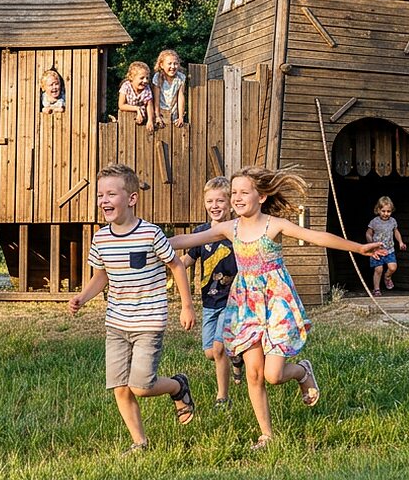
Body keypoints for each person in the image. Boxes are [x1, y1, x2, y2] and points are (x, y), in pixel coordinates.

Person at [170, 166, 387, 450]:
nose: (236, 197)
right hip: (245, 305)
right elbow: (185, 240)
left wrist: (358, 248)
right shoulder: (229, 228)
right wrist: (145, 240)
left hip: (275, 302)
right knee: (253, 373)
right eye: (233, 192)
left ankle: (301, 372)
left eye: (243, 192)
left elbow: (317, 237)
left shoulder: (274, 225)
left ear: (261, 197)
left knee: (274, 375)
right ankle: (266, 435)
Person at [68, 164, 197, 455]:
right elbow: (101, 275)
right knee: (119, 387)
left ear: (132, 198)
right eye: (100, 194)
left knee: (140, 385)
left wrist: (186, 305)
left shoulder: (150, 233)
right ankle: (139, 442)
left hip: (149, 320)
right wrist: (83, 297)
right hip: (116, 323)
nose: (104, 200)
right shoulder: (100, 238)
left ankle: (178, 386)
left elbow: (175, 265)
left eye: (112, 194)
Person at [179, 176, 241, 411]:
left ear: (230, 203)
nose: (214, 206)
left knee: (218, 348)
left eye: (220, 201)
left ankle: (222, 397)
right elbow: (187, 260)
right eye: (209, 201)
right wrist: (167, 264)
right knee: (209, 353)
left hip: (232, 300)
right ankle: (237, 358)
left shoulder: (236, 231)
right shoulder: (201, 232)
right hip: (209, 300)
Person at [365, 196, 407, 296]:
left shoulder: (392, 221)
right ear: (378, 210)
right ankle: (376, 289)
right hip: (377, 250)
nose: (386, 214)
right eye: (383, 211)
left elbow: (396, 232)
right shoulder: (374, 222)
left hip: (389, 250)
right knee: (378, 269)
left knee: (393, 268)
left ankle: (387, 277)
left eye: (388, 211)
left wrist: (400, 242)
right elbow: (368, 233)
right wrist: (371, 245)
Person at [118, 61, 156, 133]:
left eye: (147, 78)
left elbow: (149, 105)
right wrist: (137, 109)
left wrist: (150, 120)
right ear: (131, 77)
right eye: (141, 78)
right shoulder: (126, 86)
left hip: (143, 118)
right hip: (127, 118)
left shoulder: (147, 89)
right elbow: (121, 105)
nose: (145, 81)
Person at [152, 49, 187, 128]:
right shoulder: (157, 77)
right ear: (161, 65)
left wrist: (181, 116)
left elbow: (181, 97)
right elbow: (156, 99)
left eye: (175, 64)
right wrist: (157, 116)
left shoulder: (180, 78)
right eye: (169, 64)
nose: (173, 67)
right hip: (161, 114)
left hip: (174, 114)